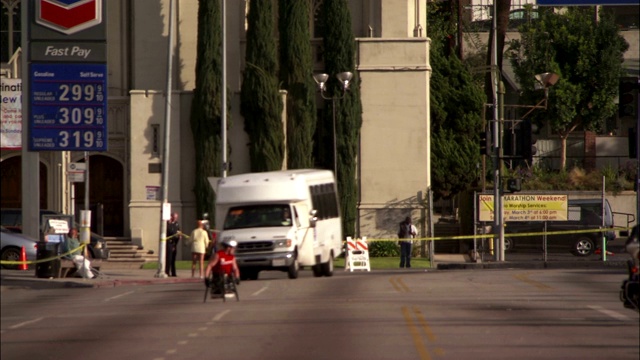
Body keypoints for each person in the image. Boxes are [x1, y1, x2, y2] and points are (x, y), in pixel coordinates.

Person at [165, 212, 181, 277]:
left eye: (176, 218)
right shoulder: (168, 224)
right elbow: (169, 232)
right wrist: (169, 223)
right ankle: (167, 272)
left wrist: (179, 235)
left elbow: (178, 232)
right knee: (169, 258)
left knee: (173, 259)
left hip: (174, 243)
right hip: (169, 242)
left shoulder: (176, 224)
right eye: (174, 217)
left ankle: (173, 272)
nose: (175, 219)